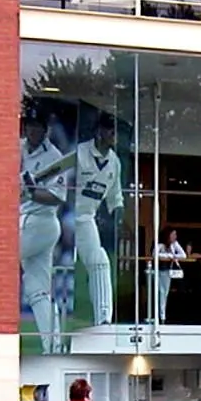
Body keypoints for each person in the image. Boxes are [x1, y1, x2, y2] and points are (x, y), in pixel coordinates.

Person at [19, 106, 72, 354]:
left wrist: (30, 191)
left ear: (45, 129)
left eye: (37, 125)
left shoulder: (54, 157)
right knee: (37, 289)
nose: (32, 129)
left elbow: (56, 197)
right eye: (29, 124)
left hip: (41, 222)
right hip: (22, 219)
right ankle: (52, 344)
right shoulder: (16, 147)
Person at [71, 115, 122, 329]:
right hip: (61, 215)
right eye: (111, 131)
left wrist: (120, 219)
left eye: (116, 132)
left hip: (85, 218)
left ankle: (103, 321)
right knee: (55, 269)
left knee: (99, 261)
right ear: (100, 131)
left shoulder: (114, 162)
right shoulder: (79, 152)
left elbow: (115, 199)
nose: (114, 136)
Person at [154, 227, 185, 322]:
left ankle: (163, 315)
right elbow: (155, 254)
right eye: (173, 234)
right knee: (161, 292)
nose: (175, 237)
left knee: (165, 293)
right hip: (160, 271)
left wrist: (173, 256)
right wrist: (169, 256)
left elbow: (183, 255)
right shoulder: (160, 245)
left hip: (168, 271)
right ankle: (161, 316)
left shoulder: (174, 244)